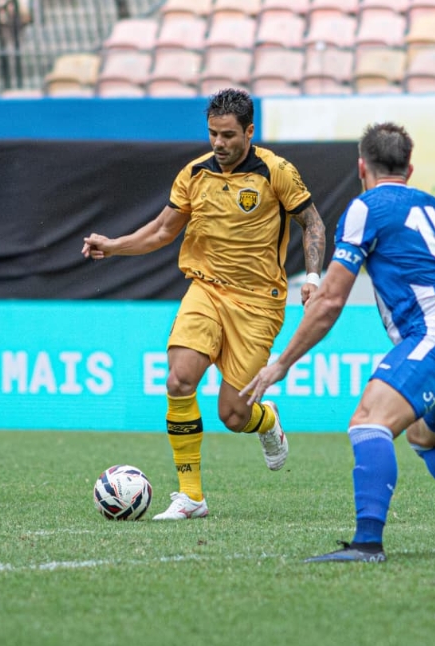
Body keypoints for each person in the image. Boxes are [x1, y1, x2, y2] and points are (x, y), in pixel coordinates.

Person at [242, 122, 435, 563]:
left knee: (368, 422)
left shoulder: (366, 207)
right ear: (410, 167)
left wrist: (282, 363)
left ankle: (368, 542)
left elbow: (330, 301)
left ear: (361, 166)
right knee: (425, 436)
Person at [82, 88, 327, 521]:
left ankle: (266, 422)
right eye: (213, 133)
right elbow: (161, 232)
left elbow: (312, 223)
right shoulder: (194, 174)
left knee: (233, 414)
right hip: (206, 289)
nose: (219, 143)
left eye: (229, 135)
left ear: (249, 132)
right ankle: (191, 496)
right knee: (179, 380)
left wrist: (312, 277)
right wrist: (114, 245)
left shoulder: (276, 172)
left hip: (258, 302)